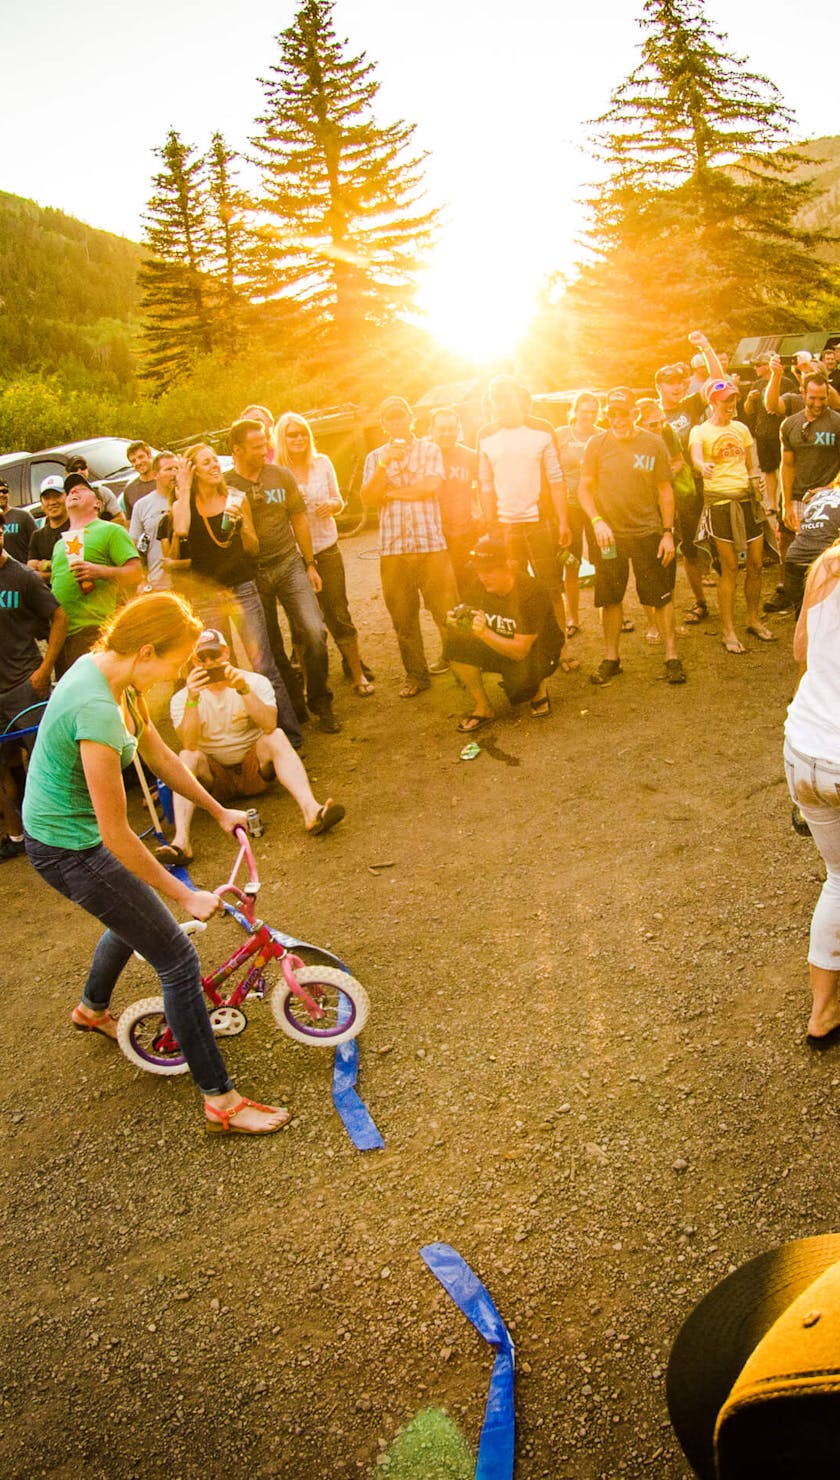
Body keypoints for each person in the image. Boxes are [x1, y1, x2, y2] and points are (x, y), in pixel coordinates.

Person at [22, 592, 288, 1135]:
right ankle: (222, 1102)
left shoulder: (115, 675)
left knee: (132, 914)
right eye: (174, 662)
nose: (176, 674)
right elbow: (118, 836)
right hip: (65, 847)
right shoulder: (95, 707)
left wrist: (216, 810)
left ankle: (92, 1009)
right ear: (147, 650)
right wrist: (185, 893)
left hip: (76, 833)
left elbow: (158, 752)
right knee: (176, 958)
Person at [159, 629, 345, 865]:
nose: (209, 663)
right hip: (214, 780)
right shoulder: (183, 697)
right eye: (201, 658)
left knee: (276, 736)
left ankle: (312, 811)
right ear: (194, 661)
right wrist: (193, 698)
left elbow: (268, 725)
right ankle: (181, 843)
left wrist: (243, 689)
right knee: (187, 755)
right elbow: (189, 742)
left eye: (214, 655)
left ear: (226, 653)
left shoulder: (255, 682)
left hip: (254, 769)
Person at [170, 442, 302, 748]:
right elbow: (179, 541)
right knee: (215, 667)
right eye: (205, 463)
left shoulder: (236, 497)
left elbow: (254, 547)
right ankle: (237, 741)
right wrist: (185, 490)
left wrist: (242, 528)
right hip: (207, 595)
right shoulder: (182, 506)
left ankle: (288, 737)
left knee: (263, 665)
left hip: (242, 588)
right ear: (193, 471)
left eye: (215, 460)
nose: (215, 466)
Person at [225, 419, 340, 733]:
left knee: (315, 632)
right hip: (253, 574)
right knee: (270, 647)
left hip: (289, 564)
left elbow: (299, 519)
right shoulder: (226, 485)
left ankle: (321, 700)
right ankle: (293, 706)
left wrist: (310, 563)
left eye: (265, 443)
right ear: (237, 450)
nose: (266, 449)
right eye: (258, 446)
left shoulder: (280, 475)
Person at [577, 386, 686, 686]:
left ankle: (671, 656)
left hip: (648, 531)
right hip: (609, 535)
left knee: (660, 596)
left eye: (622, 413)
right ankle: (611, 658)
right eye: (610, 413)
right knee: (609, 598)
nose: (616, 419)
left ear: (634, 413)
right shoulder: (596, 445)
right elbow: (584, 487)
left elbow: (665, 490)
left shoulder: (653, 444)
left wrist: (667, 533)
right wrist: (597, 521)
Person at [360, 396, 459, 698]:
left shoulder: (429, 449)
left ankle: (460, 668)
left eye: (400, 416)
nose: (396, 422)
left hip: (430, 544)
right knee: (403, 619)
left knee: (447, 613)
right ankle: (416, 676)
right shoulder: (375, 457)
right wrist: (385, 465)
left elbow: (430, 487)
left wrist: (390, 495)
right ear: (383, 424)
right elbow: (367, 497)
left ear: (410, 418)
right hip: (393, 549)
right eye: (390, 418)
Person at [275, 412, 374, 697]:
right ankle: (311, 686)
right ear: (282, 438)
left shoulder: (322, 462)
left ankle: (357, 675)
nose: (298, 439)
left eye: (303, 433)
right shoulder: (276, 472)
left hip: (327, 548)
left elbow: (339, 500)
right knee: (301, 624)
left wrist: (331, 505)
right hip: (292, 556)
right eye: (292, 434)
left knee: (338, 614)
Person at [784, 539, 840, 1046]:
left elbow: (802, 651)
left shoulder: (827, 563)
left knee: (839, 879)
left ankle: (823, 1012)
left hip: (804, 748)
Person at [476, 375, 572, 634]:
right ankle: (523, 646)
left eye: (506, 400)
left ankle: (559, 647)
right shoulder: (485, 435)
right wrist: (490, 522)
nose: (501, 406)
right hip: (505, 527)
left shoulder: (542, 429)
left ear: (518, 400)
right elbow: (485, 483)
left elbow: (556, 478)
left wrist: (563, 521)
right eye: (496, 401)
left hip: (540, 523)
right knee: (512, 589)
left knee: (551, 588)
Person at [442, 534, 564, 731]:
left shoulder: (531, 591)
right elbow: (462, 616)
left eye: (489, 570)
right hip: (501, 642)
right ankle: (483, 707)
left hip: (536, 651)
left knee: (520, 689)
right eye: (479, 570)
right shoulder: (479, 585)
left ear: (508, 566)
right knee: (455, 644)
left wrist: (483, 633)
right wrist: (454, 620)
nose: (483, 576)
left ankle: (538, 689)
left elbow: (521, 651)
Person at [688, 380, 775, 654]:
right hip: (720, 504)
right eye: (725, 400)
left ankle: (752, 618)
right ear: (712, 402)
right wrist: (704, 467)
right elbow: (696, 458)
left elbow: (751, 466)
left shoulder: (741, 429)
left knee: (757, 563)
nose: (731, 404)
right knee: (729, 568)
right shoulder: (700, 431)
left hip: (747, 501)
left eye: (733, 399)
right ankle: (728, 630)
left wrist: (757, 481)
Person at [0, 519, 68, 860]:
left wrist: (46, 669)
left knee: (47, 762)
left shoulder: (22, 577)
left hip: (25, 685)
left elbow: (59, 616)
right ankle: (16, 837)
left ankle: (62, 834)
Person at [52, 473, 143, 673]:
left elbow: (136, 573)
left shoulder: (110, 531)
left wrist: (100, 571)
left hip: (94, 630)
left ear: (98, 504)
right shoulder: (59, 544)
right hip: (62, 636)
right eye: (69, 491)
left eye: (82, 489)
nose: (73, 491)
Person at [555, 392, 599, 638]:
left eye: (593, 411)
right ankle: (573, 617)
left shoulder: (602, 434)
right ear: (575, 410)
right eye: (584, 411)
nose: (589, 416)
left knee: (603, 561)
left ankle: (614, 613)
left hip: (596, 506)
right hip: (569, 507)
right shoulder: (561, 435)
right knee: (571, 564)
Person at [430, 406, 479, 596]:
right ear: (431, 430)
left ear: (458, 430)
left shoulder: (470, 456)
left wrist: (482, 515)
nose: (447, 434)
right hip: (434, 535)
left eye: (451, 429)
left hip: (464, 532)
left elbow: (485, 486)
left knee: (469, 586)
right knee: (443, 590)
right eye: (442, 429)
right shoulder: (423, 456)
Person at [129, 450, 178, 591]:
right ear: (156, 474)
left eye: (177, 468)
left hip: (192, 582)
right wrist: (142, 580)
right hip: (158, 584)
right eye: (168, 469)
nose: (174, 473)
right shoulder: (142, 505)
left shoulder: (189, 499)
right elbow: (134, 548)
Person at [64, 455, 128, 527]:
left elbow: (121, 519)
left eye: (83, 468)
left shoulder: (102, 492)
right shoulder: (63, 499)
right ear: (66, 474)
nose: (80, 471)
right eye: (74, 469)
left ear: (87, 469)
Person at [28, 476, 70, 579]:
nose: (52, 502)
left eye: (57, 496)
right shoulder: (37, 536)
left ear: (68, 497)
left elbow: (75, 569)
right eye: (47, 498)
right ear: (41, 504)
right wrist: (59, 570)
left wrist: (46, 565)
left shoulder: (77, 529)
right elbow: (31, 573)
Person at [0, 480, 38, 564]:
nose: (1, 494)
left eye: (4, 491)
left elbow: (37, 544)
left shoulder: (23, 516)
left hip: (23, 572)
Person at [122, 441, 157, 518]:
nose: (138, 462)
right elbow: (130, 522)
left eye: (141, 457)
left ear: (149, 455)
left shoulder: (165, 480)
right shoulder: (129, 491)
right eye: (133, 461)